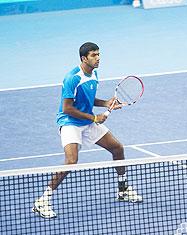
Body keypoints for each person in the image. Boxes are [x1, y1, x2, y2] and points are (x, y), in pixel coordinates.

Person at [32, 42, 142, 219]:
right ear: (84, 58)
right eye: (93, 55)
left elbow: (87, 99)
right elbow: (67, 108)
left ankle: (123, 190)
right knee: (71, 160)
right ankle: (42, 201)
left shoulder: (94, 74)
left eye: (98, 54)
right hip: (70, 122)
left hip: (87, 121)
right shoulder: (72, 78)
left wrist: (105, 103)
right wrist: (94, 118)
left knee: (117, 148)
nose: (98, 58)